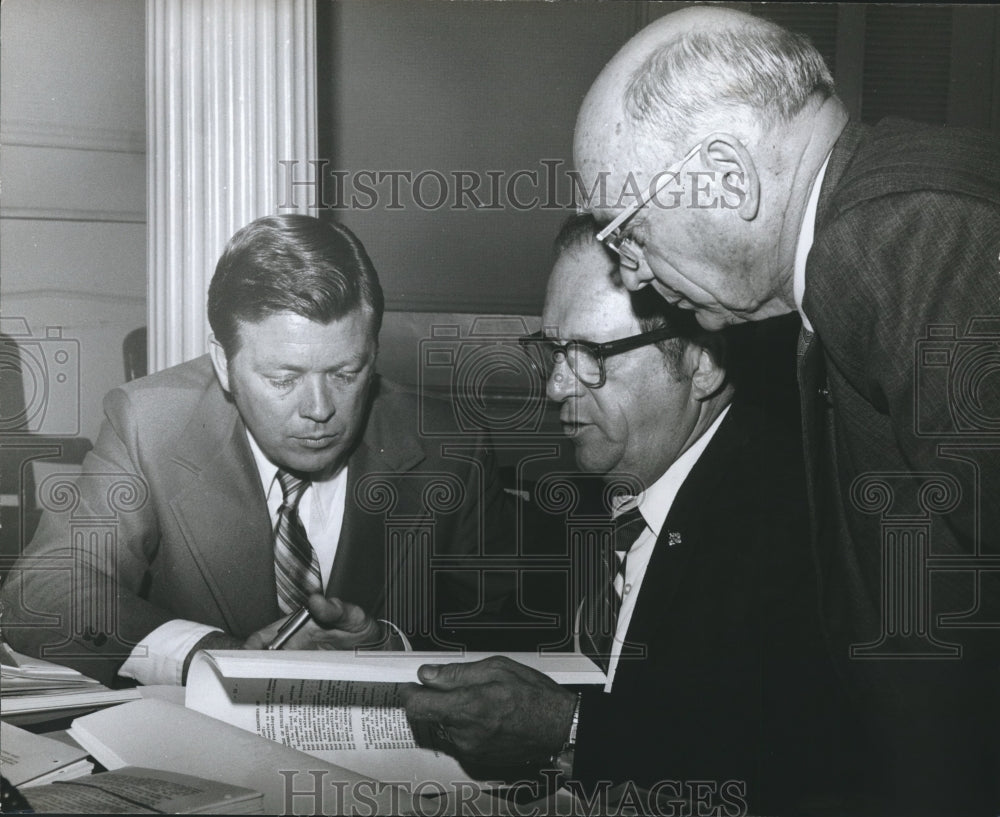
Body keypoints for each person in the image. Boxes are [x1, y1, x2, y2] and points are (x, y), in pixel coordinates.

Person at [572, 7, 1000, 815]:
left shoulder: (912, 236)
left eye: (625, 231)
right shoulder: (865, 234)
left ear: (727, 178)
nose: (629, 274)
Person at [402, 216, 841, 815]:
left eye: (590, 354)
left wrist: (573, 730)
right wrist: (390, 649)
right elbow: (514, 642)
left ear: (701, 362)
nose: (558, 387)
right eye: (555, 351)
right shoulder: (595, 494)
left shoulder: (798, 527)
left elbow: (797, 770)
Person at [0, 214, 507, 687]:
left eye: (346, 373)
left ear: (372, 352)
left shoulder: (450, 444)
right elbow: (43, 592)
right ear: (223, 363)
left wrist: (392, 651)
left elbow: (506, 632)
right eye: (283, 378)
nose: (319, 409)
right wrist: (209, 655)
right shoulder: (148, 424)